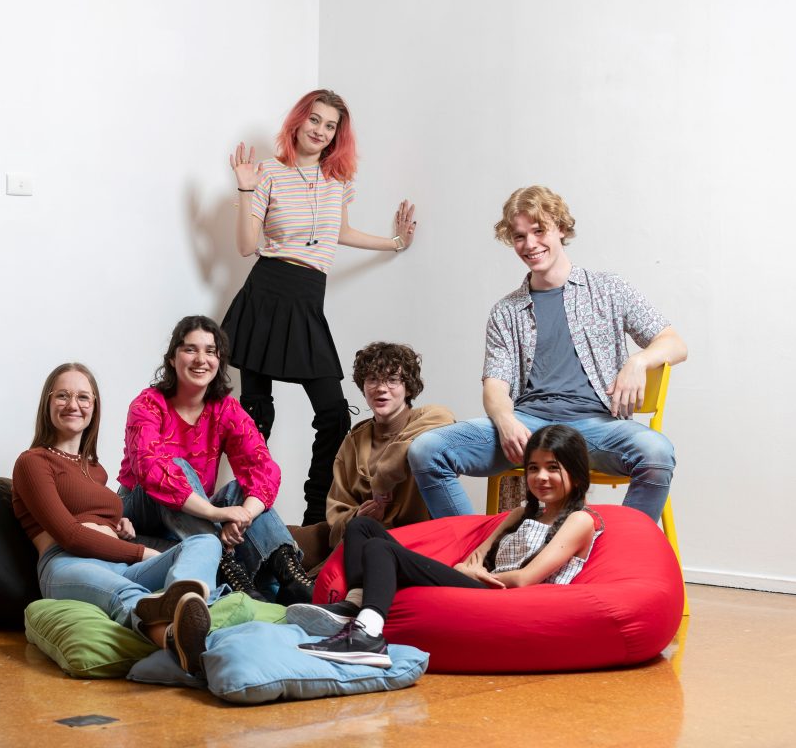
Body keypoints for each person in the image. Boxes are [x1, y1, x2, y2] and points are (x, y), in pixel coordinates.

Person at [409, 185, 688, 522]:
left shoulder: (609, 289)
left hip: (595, 428)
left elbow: (674, 343)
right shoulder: (506, 311)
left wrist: (638, 361)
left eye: (538, 230)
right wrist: (506, 420)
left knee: (657, 453)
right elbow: (494, 386)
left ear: (560, 227)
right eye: (519, 236)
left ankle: (616, 557)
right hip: (529, 427)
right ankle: (476, 553)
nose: (529, 245)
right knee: (426, 450)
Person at [224, 89, 419, 525]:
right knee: (256, 413)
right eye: (315, 120)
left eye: (330, 125)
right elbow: (244, 246)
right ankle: (247, 516)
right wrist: (244, 187)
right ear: (299, 121)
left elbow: (340, 232)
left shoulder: (338, 180)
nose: (320, 130)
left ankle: (315, 517)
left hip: (308, 298)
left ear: (337, 135)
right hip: (266, 294)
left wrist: (394, 243)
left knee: (332, 412)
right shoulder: (268, 174)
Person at [289, 425, 604, 667]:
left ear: (575, 474)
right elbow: (479, 554)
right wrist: (471, 568)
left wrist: (474, 575)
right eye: (533, 468)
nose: (541, 477)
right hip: (483, 586)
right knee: (362, 526)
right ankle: (354, 607)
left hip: (505, 599)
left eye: (552, 467)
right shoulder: (524, 512)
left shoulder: (579, 520)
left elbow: (524, 579)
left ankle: (368, 637)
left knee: (380, 549)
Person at [11, 362, 220, 676]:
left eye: (84, 397)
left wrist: (117, 523)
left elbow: (93, 515)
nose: (73, 405)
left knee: (205, 542)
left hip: (121, 564)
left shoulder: (95, 470)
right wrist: (140, 551)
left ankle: (180, 599)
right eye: (62, 396)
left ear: (94, 407)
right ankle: (175, 639)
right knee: (125, 595)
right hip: (68, 563)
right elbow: (70, 535)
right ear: (48, 403)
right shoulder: (33, 462)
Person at [117, 315, 314, 604]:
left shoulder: (225, 409)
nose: (201, 359)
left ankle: (293, 577)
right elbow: (152, 472)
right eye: (190, 349)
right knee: (177, 466)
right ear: (172, 358)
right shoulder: (147, 404)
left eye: (210, 351)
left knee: (240, 490)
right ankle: (228, 568)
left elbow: (263, 468)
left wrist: (242, 516)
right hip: (141, 511)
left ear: (219, 360)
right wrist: (218, 516)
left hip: (193, 517)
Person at [325, 342, 454, 548]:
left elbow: (444, 419)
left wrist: (383, 478)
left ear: (408, 387)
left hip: (421, 543)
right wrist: (359, 515)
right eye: (372, 380)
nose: (381, 388)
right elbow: (337, 512)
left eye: (392, 380)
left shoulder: (431, 418)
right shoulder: (353, 442)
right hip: (366, 539)